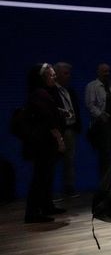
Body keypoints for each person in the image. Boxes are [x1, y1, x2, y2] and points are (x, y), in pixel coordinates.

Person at [23, 63, 66, 223]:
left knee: (46, 177)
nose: (54, 77)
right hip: (43, 144)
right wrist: (60, 140)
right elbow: (49, 121)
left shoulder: (43, 93)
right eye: (51, 75)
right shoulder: (40, 94)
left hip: (44, 143)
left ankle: (46, 205)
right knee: (40, 178)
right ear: (42, 77)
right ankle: (32, 212)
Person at [52, 62, 81, 199]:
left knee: (69, 160)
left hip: (70, 129)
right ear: (56, 74)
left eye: (69, 73)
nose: (68, 76)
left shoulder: (69, 90)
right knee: (53, 160)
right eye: (65, 73)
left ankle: (68, 188)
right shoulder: (51, 91)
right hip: (57, 129)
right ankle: (49, 191)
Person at [85, 63, 111, 181]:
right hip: (102, 124)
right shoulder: (92, 86)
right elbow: (90, 105)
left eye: (108, 71)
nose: (107, 74)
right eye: (104, 71)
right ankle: (104, 181)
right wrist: (101, 115)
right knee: (105, 153)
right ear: (98, 72)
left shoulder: (110, 86)